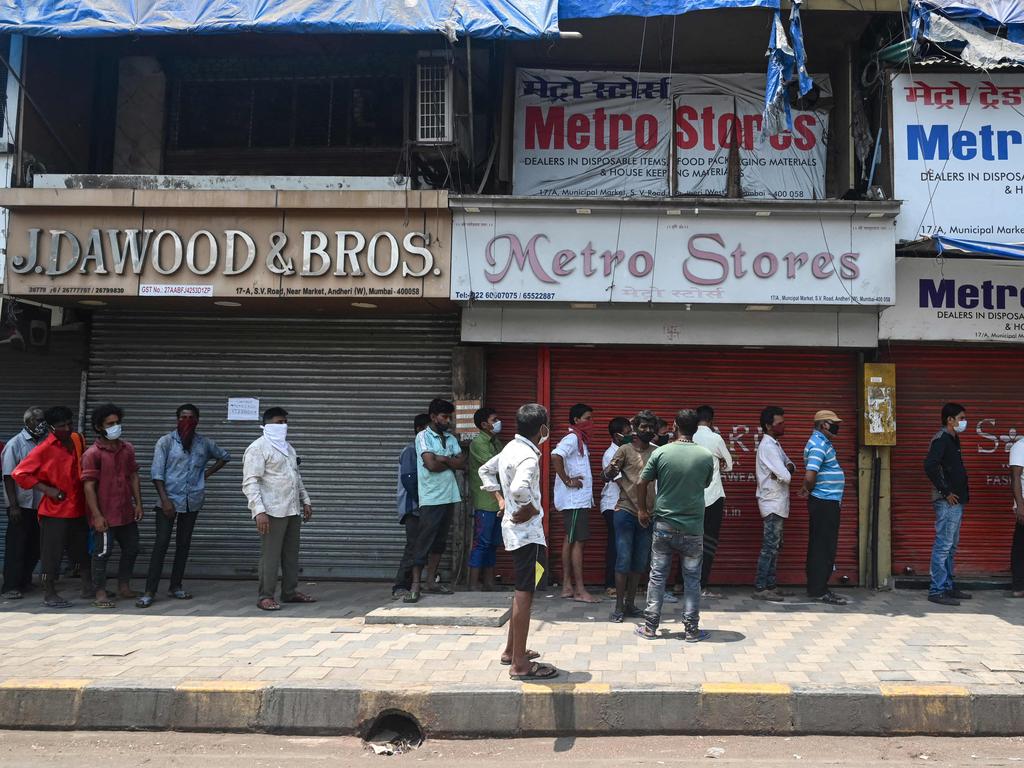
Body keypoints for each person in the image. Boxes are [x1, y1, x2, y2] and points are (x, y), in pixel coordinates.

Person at [479, 403, 558, 681]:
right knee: (526, 594)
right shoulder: (528, 456)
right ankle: (521, 665)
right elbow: (519, 488)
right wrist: (528, 508)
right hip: (528, 536)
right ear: (542, 429)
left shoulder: (510, 449)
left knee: (520, 591)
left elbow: (484, 472)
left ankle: (512, 650)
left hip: (515, 533)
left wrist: (500, 501)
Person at [634, 409, 715, 641]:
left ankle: (650, 628)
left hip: (664, 526)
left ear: (674, 425)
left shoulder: (662, 453)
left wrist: (641, 509)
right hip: (693, 529)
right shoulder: (705, 455)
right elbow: (706, 483)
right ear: (696, 429)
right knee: (692, 579)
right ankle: (691, 630)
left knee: (657, 576)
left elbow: (642, 481)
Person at [140, 404, 231, 608]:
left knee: (183, 544)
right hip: (168, 501)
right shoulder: (165, 442)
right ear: (177, 419)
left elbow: (225, 456)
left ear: (197, 420)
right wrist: (164, 500)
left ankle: (176, 586)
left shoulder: (203, 443)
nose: (187, 421)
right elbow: (156, 474)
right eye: (183, 417)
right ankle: (149, 591)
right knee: (161, 543)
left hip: (192, 501)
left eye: (191, 417)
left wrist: (205, 475)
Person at [12, 406, 92, 608]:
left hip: (78, 506)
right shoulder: (44, 449)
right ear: (50, 427)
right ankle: (49, 593)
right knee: (51, 554)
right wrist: (47, 490)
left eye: (69, 424)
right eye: (61, 426)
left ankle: (88, 588)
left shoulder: (77, 439)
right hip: (55, 510)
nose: (67, 428)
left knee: (82, 551)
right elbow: (19, 473)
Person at [243, 407, 315, 611]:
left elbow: (296, 477)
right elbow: (251, 482)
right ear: (267, 425)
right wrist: (259, 511)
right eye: (278, 422)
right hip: (271, 511)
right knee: (270, 555)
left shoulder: (288, 448)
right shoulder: (258, 448)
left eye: (285, 422)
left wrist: (305, 500)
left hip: (291, 509)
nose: (283, 426)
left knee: (291, 554)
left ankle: (289, 592)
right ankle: (265, 595)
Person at [81, 403, 143, 609]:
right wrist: (97, 516)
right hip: (105, 514)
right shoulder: (92, 454)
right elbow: (88, 487)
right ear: (100, 427)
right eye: (110, 423)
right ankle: (99, 592)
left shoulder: (127, 449)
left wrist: (138, 504)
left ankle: (124, 586)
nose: (115, 426)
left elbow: (133, 476)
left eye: (117, 422)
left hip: (125, 512)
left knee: (132, 548)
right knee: (102, 553)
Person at [405, 398, 465, 603]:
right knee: (424, 541)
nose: (448, 421)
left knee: (440, 541)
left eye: (450, 417)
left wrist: (445, 460)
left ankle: (431, 581)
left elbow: (462, 463)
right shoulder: (423, 437)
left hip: (449, 495)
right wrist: (450, 461)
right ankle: (415, 585)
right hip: (431, 497)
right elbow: (430, 464)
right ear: (433, 417)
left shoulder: (450, 438)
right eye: (444, 417)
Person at [603, 410, 659, 622]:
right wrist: (611, 468)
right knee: (623, 559)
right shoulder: (624, 450)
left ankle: (630, 604)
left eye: (650, 427)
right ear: (635, 429)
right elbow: (606, 476)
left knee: (640, 562)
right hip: (626, 511)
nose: (648, 430)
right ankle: (618, 606)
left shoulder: (658, 452)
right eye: (643, 426)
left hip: (649, 514)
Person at [924, 402, 971, 606]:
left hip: (957, 500)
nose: (964, 422)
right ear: (949, 420)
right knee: (943, 546)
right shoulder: (941, 439)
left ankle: (948, 586)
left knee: (951, 547)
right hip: (947, 502)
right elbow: (930, 465)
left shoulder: (953, 438)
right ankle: (937, 590)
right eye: (961, 418)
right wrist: (945, 492)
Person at [800, 409, 848, 605]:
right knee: (823, 547)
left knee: (821, 545)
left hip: (826, 501)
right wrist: (806, 488)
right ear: (823, 425)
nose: (837, 426)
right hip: (824, 502)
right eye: (833, 423)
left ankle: (817, 587)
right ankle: (819, 589)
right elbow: (811, 474)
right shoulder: (819, 444)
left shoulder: (823, 443)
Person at [552, 402, 598, 603]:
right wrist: (567, 480)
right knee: (577, 542)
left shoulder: (579, 440)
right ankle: (579, 590)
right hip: (574, 501)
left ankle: (567, 587)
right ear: (576, 420)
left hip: (576, 501)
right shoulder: (572, 438)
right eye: (587, 418)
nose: (591, 422)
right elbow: (555, 455)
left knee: (570, 540)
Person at [2, 406, 47, 599]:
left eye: (43, 420)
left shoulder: (43, 443)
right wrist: (13, 506)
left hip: (39, 505)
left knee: (34, 545)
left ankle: (25, 581)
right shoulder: (15, 444)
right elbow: (8, 477)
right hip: (20, 506)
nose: (42, 424)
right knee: (17, 546)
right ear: (27, 422)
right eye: (38, 420)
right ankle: (11, 585)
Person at [753, 406, 796, 602]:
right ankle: (761, 587)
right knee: (769, 546)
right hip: (772, 502)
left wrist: (781, 471)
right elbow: (787, 476)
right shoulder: (768, 447)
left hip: (778, 502)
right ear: (769, 426)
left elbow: (790, 465)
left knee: (775, 545)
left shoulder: (775, 445)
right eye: (780, 423)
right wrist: (783, 472)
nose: (783, 426)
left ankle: (771, 585)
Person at [692, 405, 734, 599]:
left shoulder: (688, 436)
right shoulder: (716, 438)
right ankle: (701, 585)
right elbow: (730, 465)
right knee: (708, 542)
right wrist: (719, 466)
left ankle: (679, 583)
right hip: (713, 496)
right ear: (711, 421)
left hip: (691, 496)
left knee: (689, 541)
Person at [393, 413, 430, 599]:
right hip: (413, 508)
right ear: (419, 430)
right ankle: (400, 585)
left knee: (420, 546)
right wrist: (422, 502)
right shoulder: (410, 451)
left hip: (422, 507)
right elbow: (408, 479)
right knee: (413, 546)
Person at [468, 407, 504, 591]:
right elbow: (496, 465)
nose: (497, 422)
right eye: (494, 419)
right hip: (485, 500)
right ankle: (473, 584)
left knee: (493, 543)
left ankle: (489, 583)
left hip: (498, 501)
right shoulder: (478, 444)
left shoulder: (495, 442)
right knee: (481, 543)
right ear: (484, 424)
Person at [601, 417, 632, 597]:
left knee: (624, 544)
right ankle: (611, 584)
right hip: (613, 504)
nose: (630, 436)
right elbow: (620, 481)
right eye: (627, 433)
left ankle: (624, 583)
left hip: (626, 504)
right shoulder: (610, 454)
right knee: (616, 544)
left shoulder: (627, 451)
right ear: (616, 435)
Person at [1010, 436, 1024, 598]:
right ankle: (1019, 586)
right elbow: (1015, 477)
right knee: (1021, 546)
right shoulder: (1020, 446)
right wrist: (1020, 505)